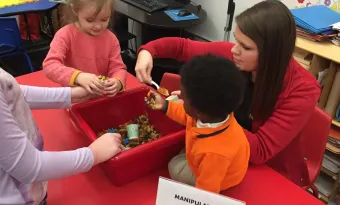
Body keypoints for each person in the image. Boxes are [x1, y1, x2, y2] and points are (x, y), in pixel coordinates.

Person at [135, 0, 321, 186]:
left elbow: (260, 150)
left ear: (271, 54)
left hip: (268, 173)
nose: (234, 50)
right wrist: (148, 52)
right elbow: (183, 47)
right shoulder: (235, 57)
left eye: (246, 47)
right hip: (220, 146)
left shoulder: (303, 91)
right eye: (236, 40)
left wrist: (208, 107)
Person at [0, 2, 122, 205]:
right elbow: (29, 167)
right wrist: (93, 155)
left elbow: (6, 91)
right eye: (90, 19)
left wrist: (69, 95)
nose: (98, 25)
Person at [145, 54, 250, 193]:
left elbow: (206, 191)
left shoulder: (213, 154)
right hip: (216, 159)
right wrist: (165, 105)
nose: (180, 96)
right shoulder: (214, 114)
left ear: (198, 111)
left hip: (221, 177)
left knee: (173, 166)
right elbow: (185, 114)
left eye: (183, 95)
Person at [43, 0, 126, 98]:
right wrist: (78, 77)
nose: (98, 26)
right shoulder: (65, 35)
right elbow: (50, 65)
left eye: (104, 19)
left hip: (102, 99)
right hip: (74, 100)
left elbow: (118, 67)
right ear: (75, 10)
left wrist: (117, 82)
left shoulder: (111, 39)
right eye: (90, 20)